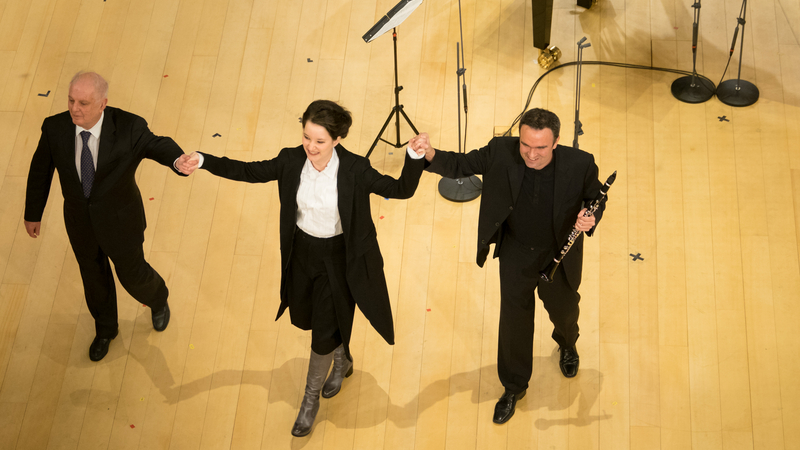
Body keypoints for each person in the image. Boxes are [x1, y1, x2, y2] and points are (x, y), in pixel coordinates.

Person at [180, 100, 427, 437]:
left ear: (338, 140)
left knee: (322, 333)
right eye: (307, 137)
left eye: (320, 141)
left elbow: (401, 189)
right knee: (312, 317)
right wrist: (204, 160)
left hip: (339, 258)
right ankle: (342, 361)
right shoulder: (291, 159)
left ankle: (309, 401)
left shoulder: (355, 169)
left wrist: (414, 158)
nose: (311, 146)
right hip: (302, 253)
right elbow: (248, 171)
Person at [418, 108, 607, 424]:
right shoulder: (499, 151)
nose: (531, 154)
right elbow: (461, 164)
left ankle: (566, 342)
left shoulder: (581, 163)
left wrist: (591, 217)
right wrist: (430, 153)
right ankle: (514, 386)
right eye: (525, 145)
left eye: (541, 148)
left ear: (556, 142)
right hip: (516, 251)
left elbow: (595, 199)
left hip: (558, 253)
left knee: (564, 311)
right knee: (514, 321)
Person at [24, 71, 196, 362]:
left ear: (102, 104)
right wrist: (33, 213)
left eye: (84, 103)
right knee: (94, 279)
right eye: (71, 100)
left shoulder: (128, 127)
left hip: (121, 221)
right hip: (81, 223)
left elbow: (157, 144)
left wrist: (178, 160)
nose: (75, 109)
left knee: (133, 275)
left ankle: (158, 300)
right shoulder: (55, 128)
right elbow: (41, 170)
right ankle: (105, 330)